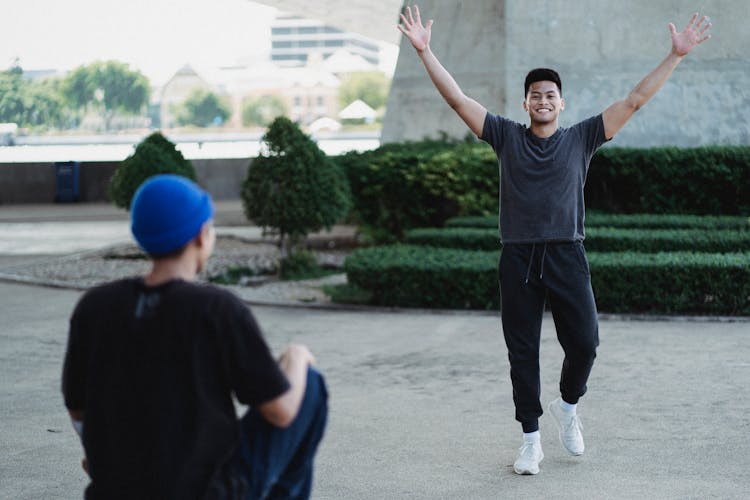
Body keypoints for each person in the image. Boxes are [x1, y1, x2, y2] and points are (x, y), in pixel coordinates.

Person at [398, 5, 710, 475]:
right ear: (525, 103)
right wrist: (425, 52)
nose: (542, 100)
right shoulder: (504, 135)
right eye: (535, 95)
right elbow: (458, 100)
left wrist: (676, 55)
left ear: (561, 103)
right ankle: (530, 440)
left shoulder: (582, 137)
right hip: (518, 257)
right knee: (521, 353)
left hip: (567, 252)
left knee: (584, 343)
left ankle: (568, 406)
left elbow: (634, 100)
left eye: (550, 95)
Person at [62, 174, 328, 499]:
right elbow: (281, 411)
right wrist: (297, 356)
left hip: (115, 490)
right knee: (310, 385)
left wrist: (105, 461)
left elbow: (78, 410)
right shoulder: (216, 309)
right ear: (202, 236)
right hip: (207, 492)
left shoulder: (95, 306)